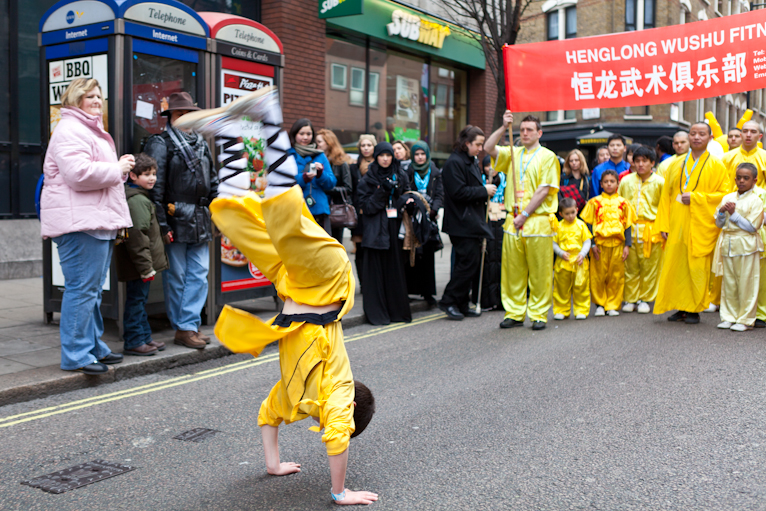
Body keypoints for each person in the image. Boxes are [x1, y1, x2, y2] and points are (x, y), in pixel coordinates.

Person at [176, 87, 378, 505]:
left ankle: (232, 132)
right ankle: (268, 117)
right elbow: (339, 437)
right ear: (350, 411)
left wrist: (274, 465)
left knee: (232, 214)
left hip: (291, 283)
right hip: (327, 281)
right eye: (335, 424)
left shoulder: (293, 395)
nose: (327, 428)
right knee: (285, 215)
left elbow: (267, 418)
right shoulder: (338, 393)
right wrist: (341, 493)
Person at [40, 77, 132, 374]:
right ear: (75, 99)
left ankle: (93, 347)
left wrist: (120, 169)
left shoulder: (88, 129)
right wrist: (116, 168)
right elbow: (78, 174)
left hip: (94, 221)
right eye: (89, 96)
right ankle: (77, 355)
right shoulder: (70, 129)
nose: (95, 101)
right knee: (81, 290)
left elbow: (94, 172)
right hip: (80, 224)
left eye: (98, 96)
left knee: (90, 291)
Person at [145, 91, 217, 351]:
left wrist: (218, 207)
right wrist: (162, 224)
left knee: (199, 274)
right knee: (178, 275)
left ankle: (190, 324)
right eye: (179, 113)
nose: (185, 117)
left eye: (189, 113)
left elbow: (213, 180)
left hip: (199, 215)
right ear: (171, 117)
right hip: (175, 216)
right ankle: (184, 327)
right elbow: (156, 189)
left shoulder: (201, 142)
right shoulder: (160, 143)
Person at [485, 111, 560, 330]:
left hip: (536, 221)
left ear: (539, 133)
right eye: (522, 130)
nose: (525, 133)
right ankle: (515, 312)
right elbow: (488, 148)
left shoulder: (548, 156)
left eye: (529, 130)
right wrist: (502, 127)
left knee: (540, 270)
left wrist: (524, 215)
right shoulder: (513, 152)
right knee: (512, 271)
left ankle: (538, 314)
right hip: (512, 220)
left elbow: (544, 189)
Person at [654, 122, 730, 324]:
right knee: (676, 265)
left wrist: (697, 198)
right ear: (688, 137)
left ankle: (694, 308)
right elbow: (665, 197)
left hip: (700, 224)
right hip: (677, 222)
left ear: (710, 138)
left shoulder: (717, 165)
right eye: (693, 134)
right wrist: (663, 225)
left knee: (696, 266)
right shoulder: (674, 164)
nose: (697, 137)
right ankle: (680, 307)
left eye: (701, 134)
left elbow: (724, 196)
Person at [440, 125, 495, 320]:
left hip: (471, 221)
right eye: (477, 144)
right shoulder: (454, 163)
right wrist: (484, 191)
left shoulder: (469, 161)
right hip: (461, 222)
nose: (480, 148)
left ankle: (461, 303)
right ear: (466, 144)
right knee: (467, 264)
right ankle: (449, 300)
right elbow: (458, 192)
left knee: (470, 264)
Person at [115, 153, 168, 356]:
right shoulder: (137, 201)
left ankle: (144, 337)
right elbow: (137, 237)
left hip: (141, 265)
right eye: (146, 174)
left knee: (140, 300)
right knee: (136, 302)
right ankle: (134, 341)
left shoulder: (142, 198)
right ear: (133, 176)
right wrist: (146, 268)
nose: (152, 178)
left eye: (154, 173)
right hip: (139, 266)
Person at [357, 142, 413, 325]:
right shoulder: (368, 178)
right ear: (376, 157)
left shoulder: (401, 175)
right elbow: (366, 207)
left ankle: (397, 312)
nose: (386, 159)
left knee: (394, 271)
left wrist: (405, 200)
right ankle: (378, 314)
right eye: (382, 155)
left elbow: (406, 195)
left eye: (388, 155)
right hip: (375, 231)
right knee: (376, 273)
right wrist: (382, 192)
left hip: (394, 228)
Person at [713, 162, 764, 331]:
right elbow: (719, 224)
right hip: (728, 244)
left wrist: (733, 214)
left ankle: (745, 319)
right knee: (729, 283)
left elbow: (752, 227)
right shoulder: (728, 198)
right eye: (739, 178)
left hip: (747, 245)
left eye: (746, 178)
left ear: (754, 180)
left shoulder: (756, 201)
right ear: (734, 179)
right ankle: (728, 316)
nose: (741, 181)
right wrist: (721, 213)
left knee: (747, 283)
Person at [581, 170, 636, 317]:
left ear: (618, 184)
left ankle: (612, 304)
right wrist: (592, 244)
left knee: (616, 276)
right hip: (599, 244)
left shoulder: (624, 203)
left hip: (618, 244)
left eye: (612, 181)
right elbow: (589, 225)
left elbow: (628, 225)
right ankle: (600, 304)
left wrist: (627, 245)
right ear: (601, 184)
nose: (609, 184)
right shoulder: (594, 202)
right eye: (606, 181)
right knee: (598, 275)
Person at [618, 146, 665, 314]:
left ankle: (645, 298)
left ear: (652, 163)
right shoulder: (626, 181)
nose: (640, 164)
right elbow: (619, 205)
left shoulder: (660, 182)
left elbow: (665, 207)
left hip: (651, 228)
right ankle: (631, 298)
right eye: (637, 161)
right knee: (630, 266)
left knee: (650, 266)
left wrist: (663, 228)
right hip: (630, 227)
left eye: (645, 161)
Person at [404, 140, 444, 307]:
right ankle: (410, 290)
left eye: (422, 154)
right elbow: (405, 191)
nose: (420, 158)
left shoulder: (435, 172)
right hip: (412, 218)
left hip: (429, 219)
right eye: (416, 155)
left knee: (427, 256)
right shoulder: (408, 171)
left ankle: (428, 293)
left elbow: (440, 194)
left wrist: (433, 210)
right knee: (412, 253)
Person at [289, 119, 336, 233]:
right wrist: (304, 178)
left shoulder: (320, 155)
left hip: (318, 210)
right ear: (294, 135)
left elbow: (331, 183)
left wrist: (320, 174)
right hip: (294, 209)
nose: (305, 137)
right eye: (301, 134)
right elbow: (284, 182)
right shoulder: (288, 156)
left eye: (309, 134)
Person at [552, 198, 592, 320]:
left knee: (581, 287)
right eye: (567, 214)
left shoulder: (581, 225)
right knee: (561, 287)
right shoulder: (558, 227)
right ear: (561, 214)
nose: (570, 216)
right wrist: (560, 253)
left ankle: (581, 309)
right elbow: (554, 243)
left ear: (577, 210)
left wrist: (583, 253)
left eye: (573, 212)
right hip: (563, 261)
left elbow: (587, 241)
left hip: (579, 261)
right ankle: (561, 310)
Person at [478, 154, 506, 311]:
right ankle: (488, 299)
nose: (491, 169)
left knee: (502, 259)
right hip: (486, 221)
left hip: (502, 221)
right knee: (488, 261)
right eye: (488, 165)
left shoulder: (506, 179)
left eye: (494, 165)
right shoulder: (481, 181)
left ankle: (502, 298)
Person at [349, 134, 376, 289]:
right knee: (359, 249)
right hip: (359, 214)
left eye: (369, 145)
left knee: (372, 247)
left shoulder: (379, 165)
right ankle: (363, 282)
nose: (366, 148)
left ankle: (373, 280)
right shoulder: (353, 166)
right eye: (363, 145)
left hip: (374, 212)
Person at [317, 128, 353, 243]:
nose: (316, 145)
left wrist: (328, 189)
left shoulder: (341, 163)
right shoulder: (314, 160)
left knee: (334, 244)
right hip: (317, 207)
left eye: (319, 142)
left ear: (329, 143)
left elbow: (348, 188)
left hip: (334, 210)